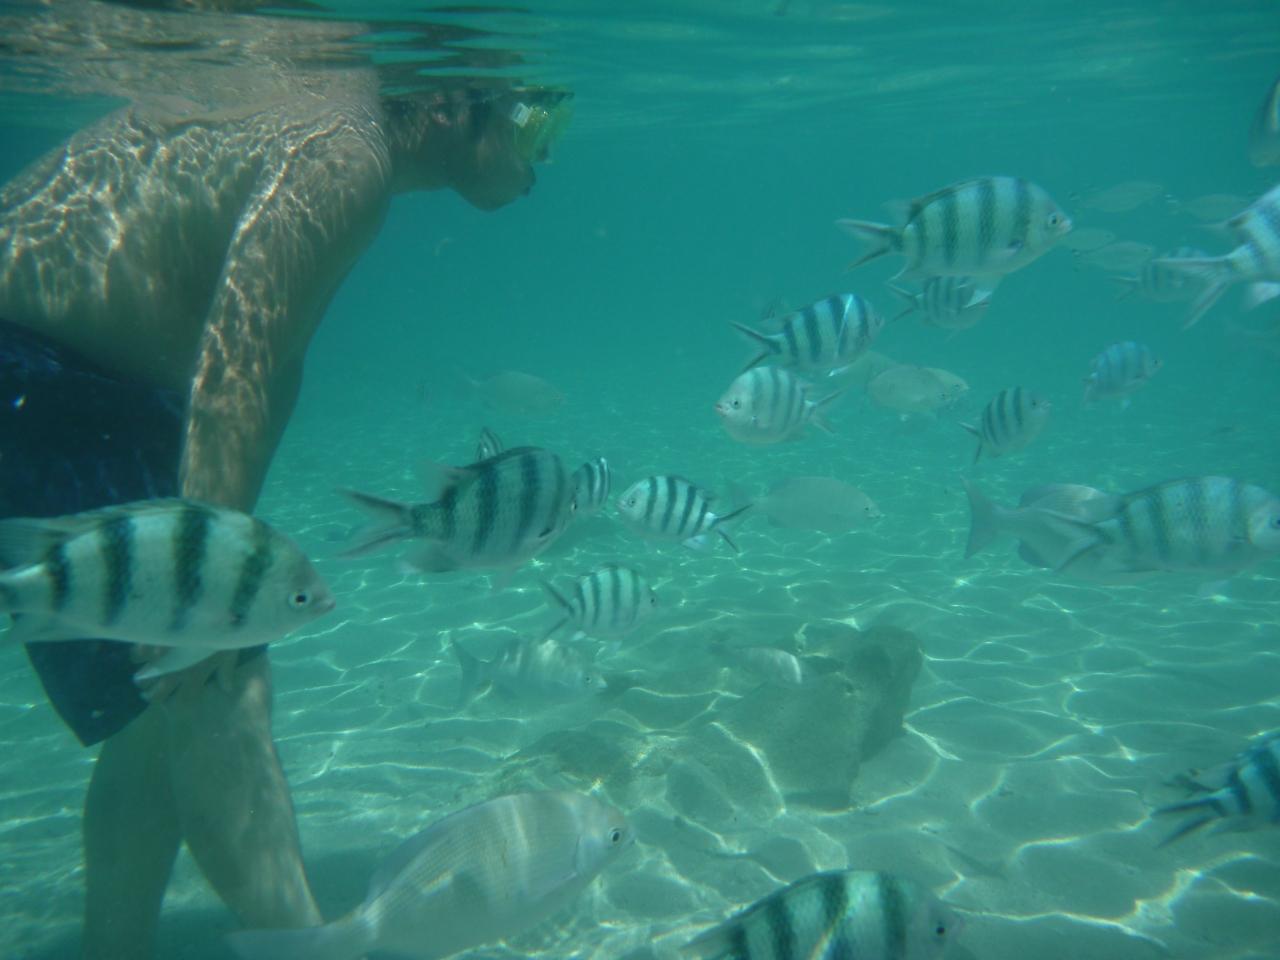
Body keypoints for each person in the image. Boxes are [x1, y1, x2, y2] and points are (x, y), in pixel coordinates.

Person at [0, 18, 571, 958]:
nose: (542, 155)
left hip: (93, 377)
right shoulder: (343, 155)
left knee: (165, 705)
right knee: (221, 688)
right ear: (446, 104)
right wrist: (211, 595)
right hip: (43, 369)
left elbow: (273, 368)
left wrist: (220, 557)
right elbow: (240, 362)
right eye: (536, 121)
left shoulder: (348, 147)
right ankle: (307, 948)